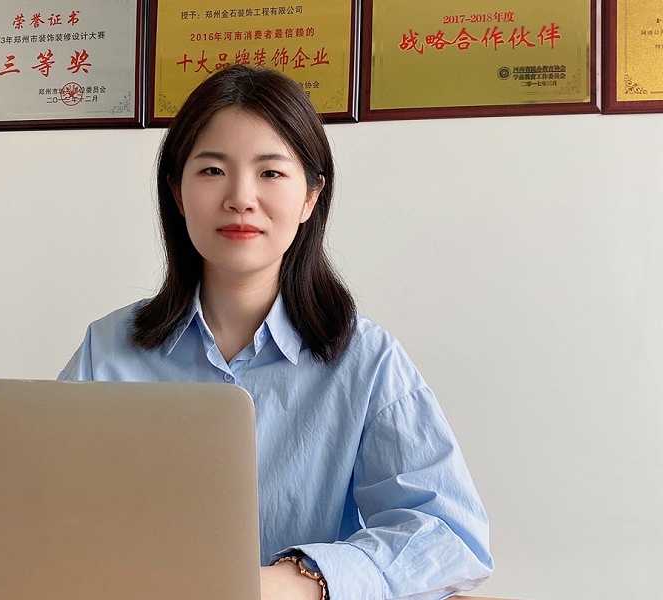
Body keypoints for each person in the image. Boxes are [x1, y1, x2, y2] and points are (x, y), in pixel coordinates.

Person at [59, 65, 494, 600]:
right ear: (177, 192)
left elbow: (450, 537)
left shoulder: (366, 359)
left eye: (270, 172)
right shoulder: (108, 350)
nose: (241, 197)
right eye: (212, 170)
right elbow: (46, 508)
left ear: (311, 196)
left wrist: (300, 579)